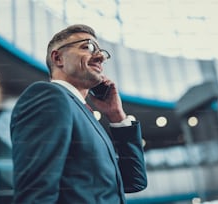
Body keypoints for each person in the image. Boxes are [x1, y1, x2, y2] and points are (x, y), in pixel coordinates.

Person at [10, 24, 147, 204]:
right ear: (58, 58)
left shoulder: (85, 114)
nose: (100, 57)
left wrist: (117, 117)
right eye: (88, 47)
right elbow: (35, 195)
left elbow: (134, 181)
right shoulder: (48, 97)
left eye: (101, 52)